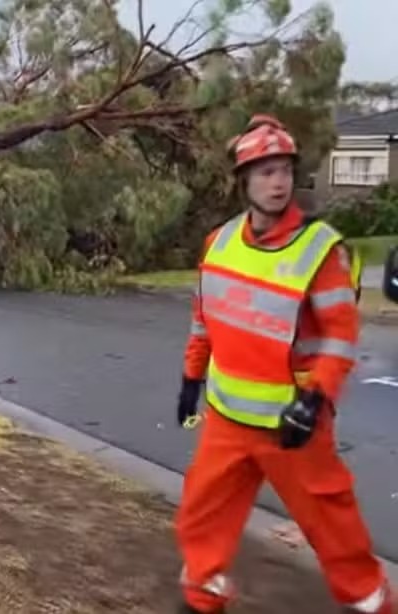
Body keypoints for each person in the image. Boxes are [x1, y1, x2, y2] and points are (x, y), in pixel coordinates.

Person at [174, 114, 391, 613]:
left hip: (294, 426)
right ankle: (201, 599)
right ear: (244, 181)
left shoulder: (321, 251)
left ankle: (373, 603)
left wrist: (316, 400)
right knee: (199, 518)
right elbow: (204, 319)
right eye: (266, 171)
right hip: (227, 421)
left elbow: (340, 337)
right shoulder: (219, 243)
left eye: (285, 171)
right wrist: (191, 376)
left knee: (334, 530)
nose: (277, 182)